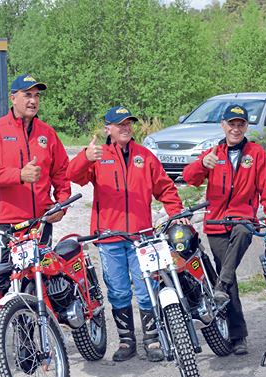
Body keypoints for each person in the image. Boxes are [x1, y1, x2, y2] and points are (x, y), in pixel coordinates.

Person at [68, 106, 184, 362]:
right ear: (107, 128)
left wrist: (176, 214)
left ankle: (152, 340)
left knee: (146, 289)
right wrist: (85, 157)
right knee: (118, 291)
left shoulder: (145, 156)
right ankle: (126, 341)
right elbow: (73, 176)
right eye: (119, 124)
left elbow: (165, 188)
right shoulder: (98, 155)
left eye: (129, 123)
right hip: (109, 237)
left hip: (141, 237)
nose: (125, 128)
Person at [0, 74, 71, 374]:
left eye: (37, 95)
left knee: (35, 283)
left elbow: (61, 173)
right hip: (4, 226)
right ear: (12, 98)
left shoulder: (47, 134)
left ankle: (29, 346)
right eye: (27, 94)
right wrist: (17, 175)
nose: (32, 100)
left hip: (39, 224)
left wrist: (61, 204)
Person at [182, 104, 266, 355]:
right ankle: (238, 336)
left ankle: (221, 287)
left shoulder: (256, 153)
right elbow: (188, 177)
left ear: (246, 126)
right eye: (231, 124)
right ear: (223, 125)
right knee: (229, 277)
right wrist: (202, 164)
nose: (236, 128)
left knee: (242, 234)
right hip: (215, 223)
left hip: (242, 219)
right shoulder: (214, 152)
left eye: (241, 124)